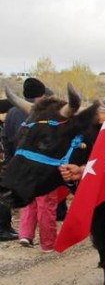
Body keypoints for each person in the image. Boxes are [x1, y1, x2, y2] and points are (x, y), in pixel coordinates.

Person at [8, 78, 59, 251]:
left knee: (27, 201)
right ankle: (48, 242)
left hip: (20, 163)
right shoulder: (47, 113)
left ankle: (25, 235)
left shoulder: (12, 113)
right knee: (46, 203)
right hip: (42, 165)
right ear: (42, 94)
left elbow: (7, 138)